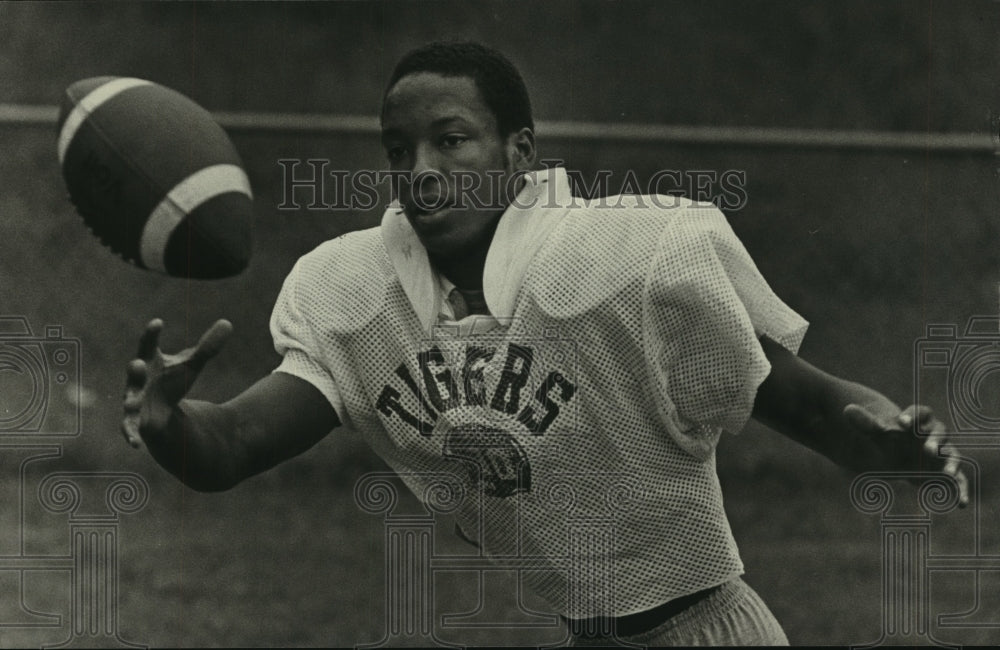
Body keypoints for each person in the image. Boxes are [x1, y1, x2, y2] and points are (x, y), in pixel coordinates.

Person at [121, 41, 968, 646]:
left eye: (451, 140)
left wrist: (890, 437)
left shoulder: (623, 260)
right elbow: (229, 445)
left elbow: (812, 404)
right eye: (397, 149)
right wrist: (169, 422)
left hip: (706, 630)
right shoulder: (357, 297)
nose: (420, 169)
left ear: (518, 151)